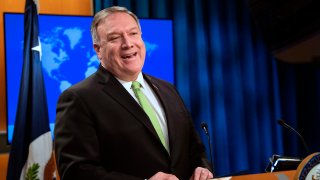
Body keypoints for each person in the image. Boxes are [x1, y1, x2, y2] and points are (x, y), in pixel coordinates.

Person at [54, 6, 214, 180]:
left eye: (133, 33)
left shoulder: (168, 89)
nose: (128, 43)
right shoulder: (78, 98)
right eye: (115, 37)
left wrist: (202, 167)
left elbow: (195, 149)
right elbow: (76, 172)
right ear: (98, 49)